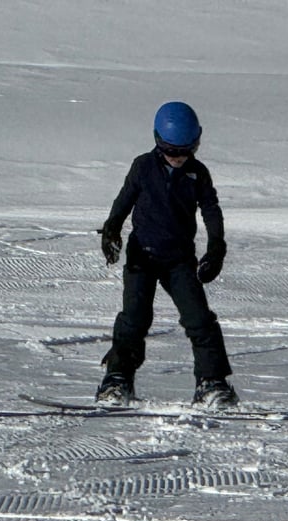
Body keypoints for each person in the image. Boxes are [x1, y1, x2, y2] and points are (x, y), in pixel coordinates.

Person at [97, 101, 238, 408]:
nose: (177, 158)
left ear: (196, 144)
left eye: (185, 151)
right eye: (170, 150)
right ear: (157, 141)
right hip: (142, 257)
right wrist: (111, 229)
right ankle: (117, 379)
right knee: (134, 319)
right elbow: (124, 201)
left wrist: (216, 247)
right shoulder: (143, 167)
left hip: (178, 260)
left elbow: (211, 210)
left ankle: (212, 383)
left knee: (199, 319)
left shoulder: (198, 174)